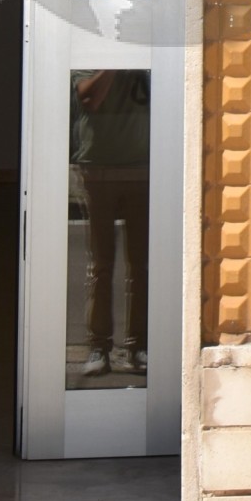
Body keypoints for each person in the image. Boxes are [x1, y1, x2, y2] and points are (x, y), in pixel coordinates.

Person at [69, 69, 150, 380]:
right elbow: (90, 98)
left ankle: (138, 346)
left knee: (141, 265)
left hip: (144, 165)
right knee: (101, 264)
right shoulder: (94, 55)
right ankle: (98, 347)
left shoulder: (149, 57)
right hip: (98, 166)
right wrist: (115, 65)